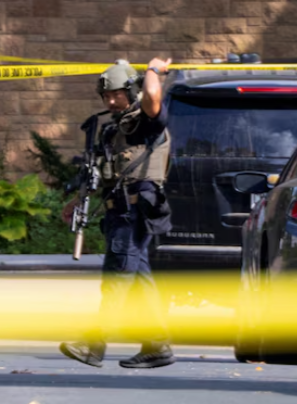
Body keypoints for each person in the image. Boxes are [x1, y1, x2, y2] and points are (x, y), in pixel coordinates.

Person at [59, 58, 176, 369]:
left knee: (117, 278)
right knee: (139, 281)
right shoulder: (116, 126)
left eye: (116, 94)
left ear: (131, 90)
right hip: (119, 210)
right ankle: (157, 345)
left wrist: (154, 70)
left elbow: (152, 95)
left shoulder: (146, 120)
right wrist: (76, 201)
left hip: (134, 211)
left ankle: (93, 344)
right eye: (105, 96)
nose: (110, 101)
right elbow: (105, 171)